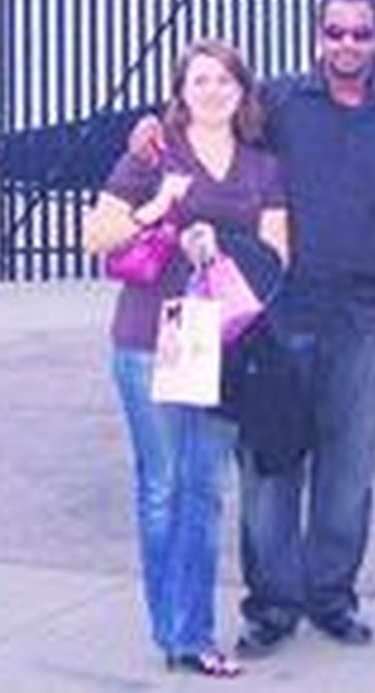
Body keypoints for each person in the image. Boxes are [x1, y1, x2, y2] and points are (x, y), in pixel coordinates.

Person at [130, 0, 375, 656]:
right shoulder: (280, 103)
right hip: (275, 312)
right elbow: (207, 123)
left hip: (363, 313)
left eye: (361, 33)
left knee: (349, 466)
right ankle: (271, 606)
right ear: (317, 36)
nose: (347, 44)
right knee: (269, 463)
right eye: (336, 32)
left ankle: (331, 597)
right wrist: (149, 128)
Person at [83, 39, 288, 679]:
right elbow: (97, 236)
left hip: (222, 345)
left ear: (241, 91)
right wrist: (158, 208)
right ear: (181, 89)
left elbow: (279, 254)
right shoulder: (151, 154)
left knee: (204, 489)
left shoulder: (261, 167)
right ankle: (174, 629)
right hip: (151, 337)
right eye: (201, 79)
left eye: (225, 79)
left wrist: (218, 244)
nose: (213, 90)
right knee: (163, 486)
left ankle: (194, 634)